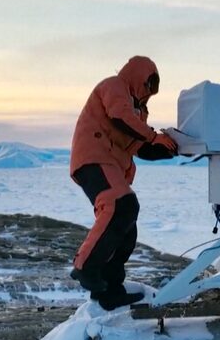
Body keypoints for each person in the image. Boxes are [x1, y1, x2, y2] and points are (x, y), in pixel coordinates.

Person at [69, 55, 178, 310]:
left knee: (127, 225)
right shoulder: (114, 87)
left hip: (109, 164)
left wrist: (174, 148)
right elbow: (120, 117)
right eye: (148, 85)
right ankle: (85, 267)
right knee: (120, 205)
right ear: (139, 77)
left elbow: (139, 146)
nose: (149, 93)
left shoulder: (137, 110)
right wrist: (153, 136)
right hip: (94, 157)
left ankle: (109, 290)